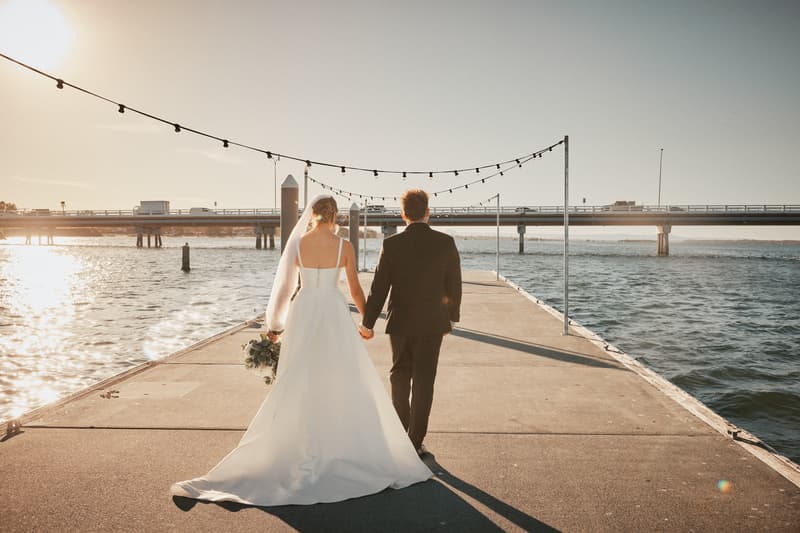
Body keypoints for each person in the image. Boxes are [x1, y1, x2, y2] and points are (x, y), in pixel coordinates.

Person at [170, 194, 432, 506]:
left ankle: (302, 442)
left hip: (305, 309)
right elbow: (356, 288)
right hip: (333, 311)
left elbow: (285, 287)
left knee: (299, 378)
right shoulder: (344, 246)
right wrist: (366, 322)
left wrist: (275, 326)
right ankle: (341, 442)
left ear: (312, 215)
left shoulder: (298, 244)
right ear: (335, 216)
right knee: (342, 376)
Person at [359, 189, 462, 456]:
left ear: (403, 214)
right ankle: (415, 441)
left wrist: (368, 322)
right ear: (428, 212)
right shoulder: (446, 243)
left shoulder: (392, 245)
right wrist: (452, 316)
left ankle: (399, 434)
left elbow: (379, 287)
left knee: (399, 375)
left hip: (401, 322)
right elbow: (454, 284)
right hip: (433, 323)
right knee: (425, 379)